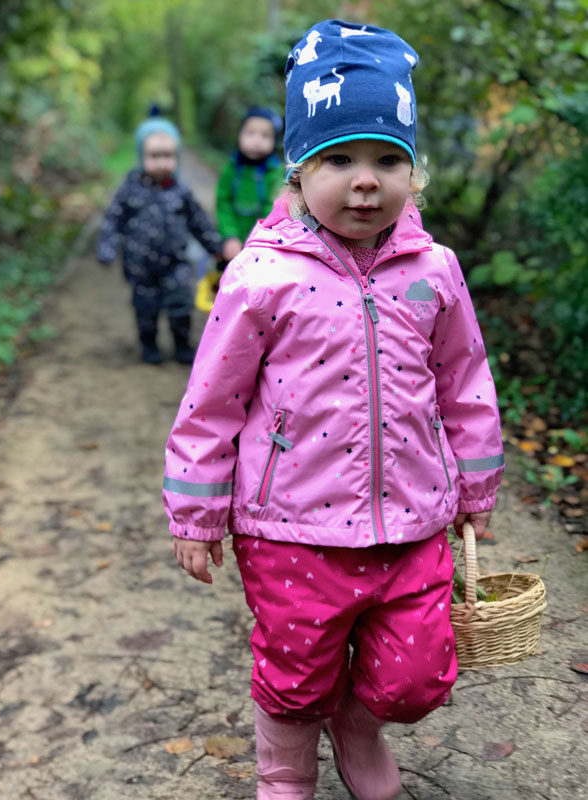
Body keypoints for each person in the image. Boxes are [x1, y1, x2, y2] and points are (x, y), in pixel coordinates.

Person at [164, 19, 504, 800]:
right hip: (290, 523)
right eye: (338, 159)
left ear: (414, 176)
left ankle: (358, 723)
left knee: (418, 675)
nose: (365, 181)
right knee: (295, 670)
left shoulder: (435, 271)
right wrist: (195, 510)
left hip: (414, 517)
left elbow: (466, 383)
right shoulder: (261, 276)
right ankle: (285, 769)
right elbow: (212, 400)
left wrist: (476, 490)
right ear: (298, 169)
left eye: (389, 160)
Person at [97, 116, 223, 364]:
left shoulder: (180, 191)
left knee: (181, 305)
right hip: (139, 265)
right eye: (154, 156)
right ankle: (149, 345)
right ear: (141, 156)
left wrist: (215, 247)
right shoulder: (130, 189)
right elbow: (113, 219)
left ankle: (182, 344)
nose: (162, 163)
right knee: (146, 309)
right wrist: (107, 247)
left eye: (168, 155)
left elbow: (198, 221)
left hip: (175, 263)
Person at [216, 106, 284, 262]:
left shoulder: (275, 172)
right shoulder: (231, 168)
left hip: (263, 244)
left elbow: (274, 206)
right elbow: (223, 201)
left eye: (265, 135)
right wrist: (229, 235)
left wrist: (259, 238)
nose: (257, 140)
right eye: (250, 133)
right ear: (240, 135)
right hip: (230, 241)